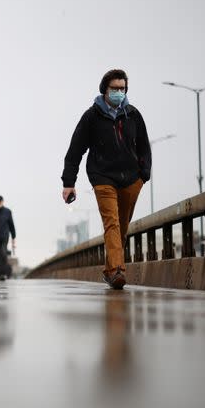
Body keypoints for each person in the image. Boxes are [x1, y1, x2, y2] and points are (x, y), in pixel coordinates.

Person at [61, 69, 151, 290]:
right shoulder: (91, 116)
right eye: (115, 88)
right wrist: (68, 182)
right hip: (102, 177)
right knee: (111, 222)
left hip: (131, 178)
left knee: (121, 226)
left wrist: (144, 174)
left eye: (122, 88)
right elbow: (75, 150)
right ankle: (117, 271)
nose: (119, 92)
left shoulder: (133, 114)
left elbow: (144, 146)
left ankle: (110, 269)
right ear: (105, 89)